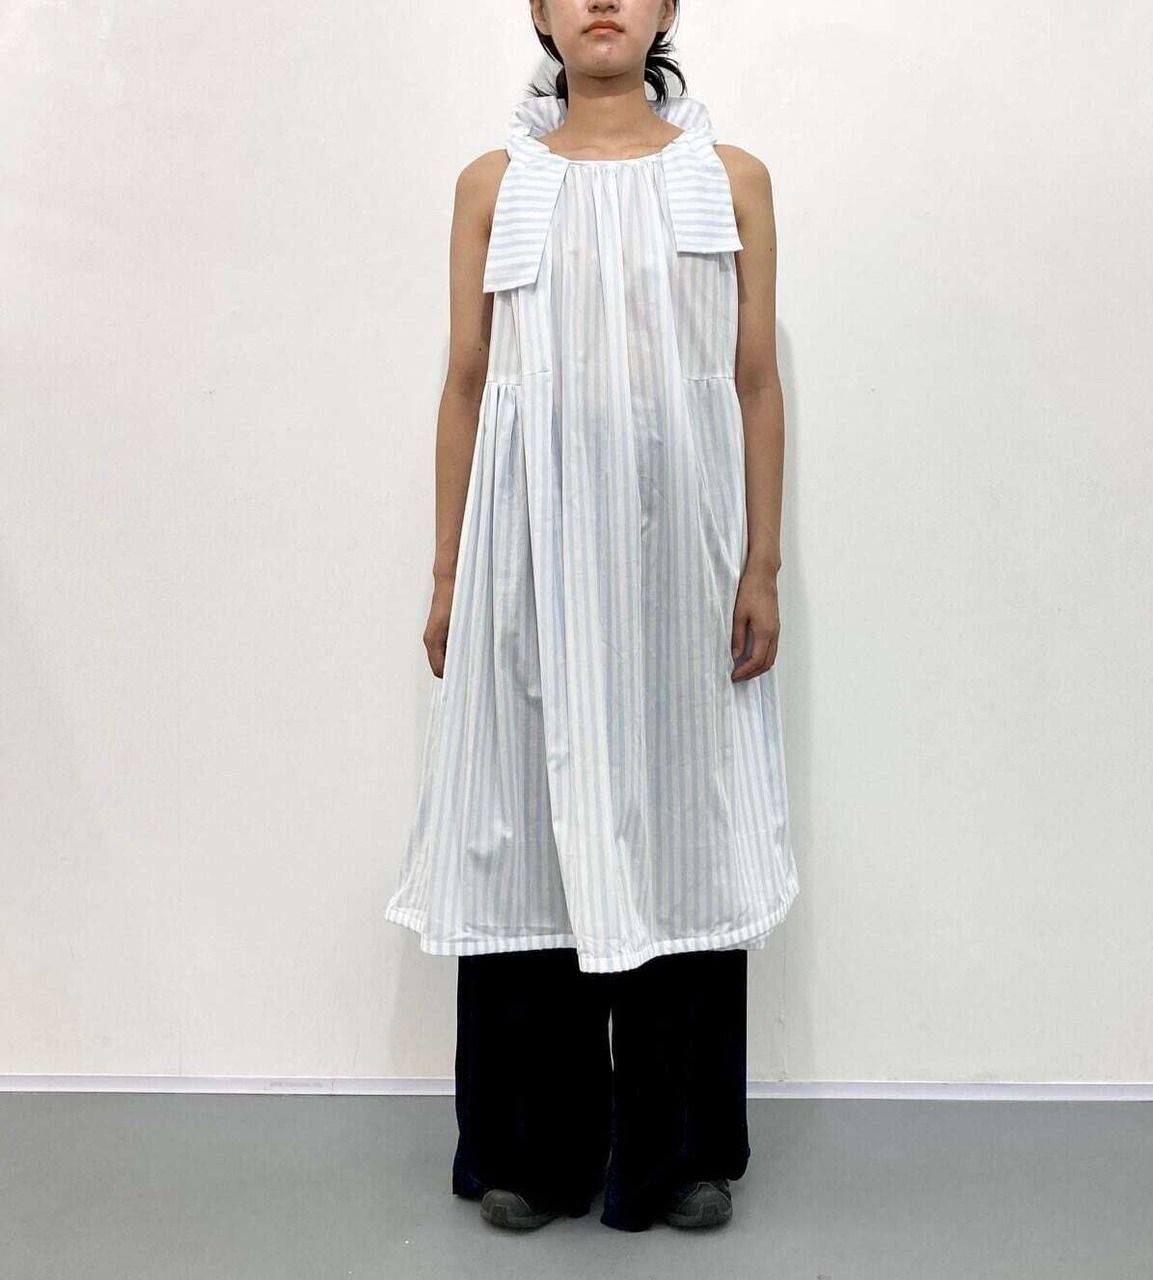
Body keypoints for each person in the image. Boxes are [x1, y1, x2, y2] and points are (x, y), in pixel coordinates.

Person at [385, 0, 800, 1232]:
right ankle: (529, 1146)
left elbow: (753, 381)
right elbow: (467, 383)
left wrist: (761, 563)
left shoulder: (729, 179)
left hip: (681, 564)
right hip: (527, 560)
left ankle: (676, 1150)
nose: (600, 2)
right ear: (538, 12)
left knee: (680, 822)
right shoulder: (491, 184)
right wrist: (450, 571)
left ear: (666, 8)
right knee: (525, 824)